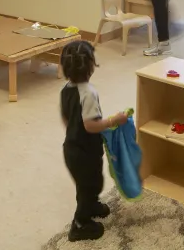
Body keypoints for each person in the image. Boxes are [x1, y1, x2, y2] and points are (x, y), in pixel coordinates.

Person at [60, 40, 129, 242]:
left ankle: (91, 205)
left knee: (89, 183)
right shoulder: (88, 93)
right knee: (88, 186)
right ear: (91, 66)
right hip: (84, 151)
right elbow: (91, 125)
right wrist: (113, 121)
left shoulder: (66, 89)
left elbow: (66, 117)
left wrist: (74, 131)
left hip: (72, 147)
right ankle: (80, 223)